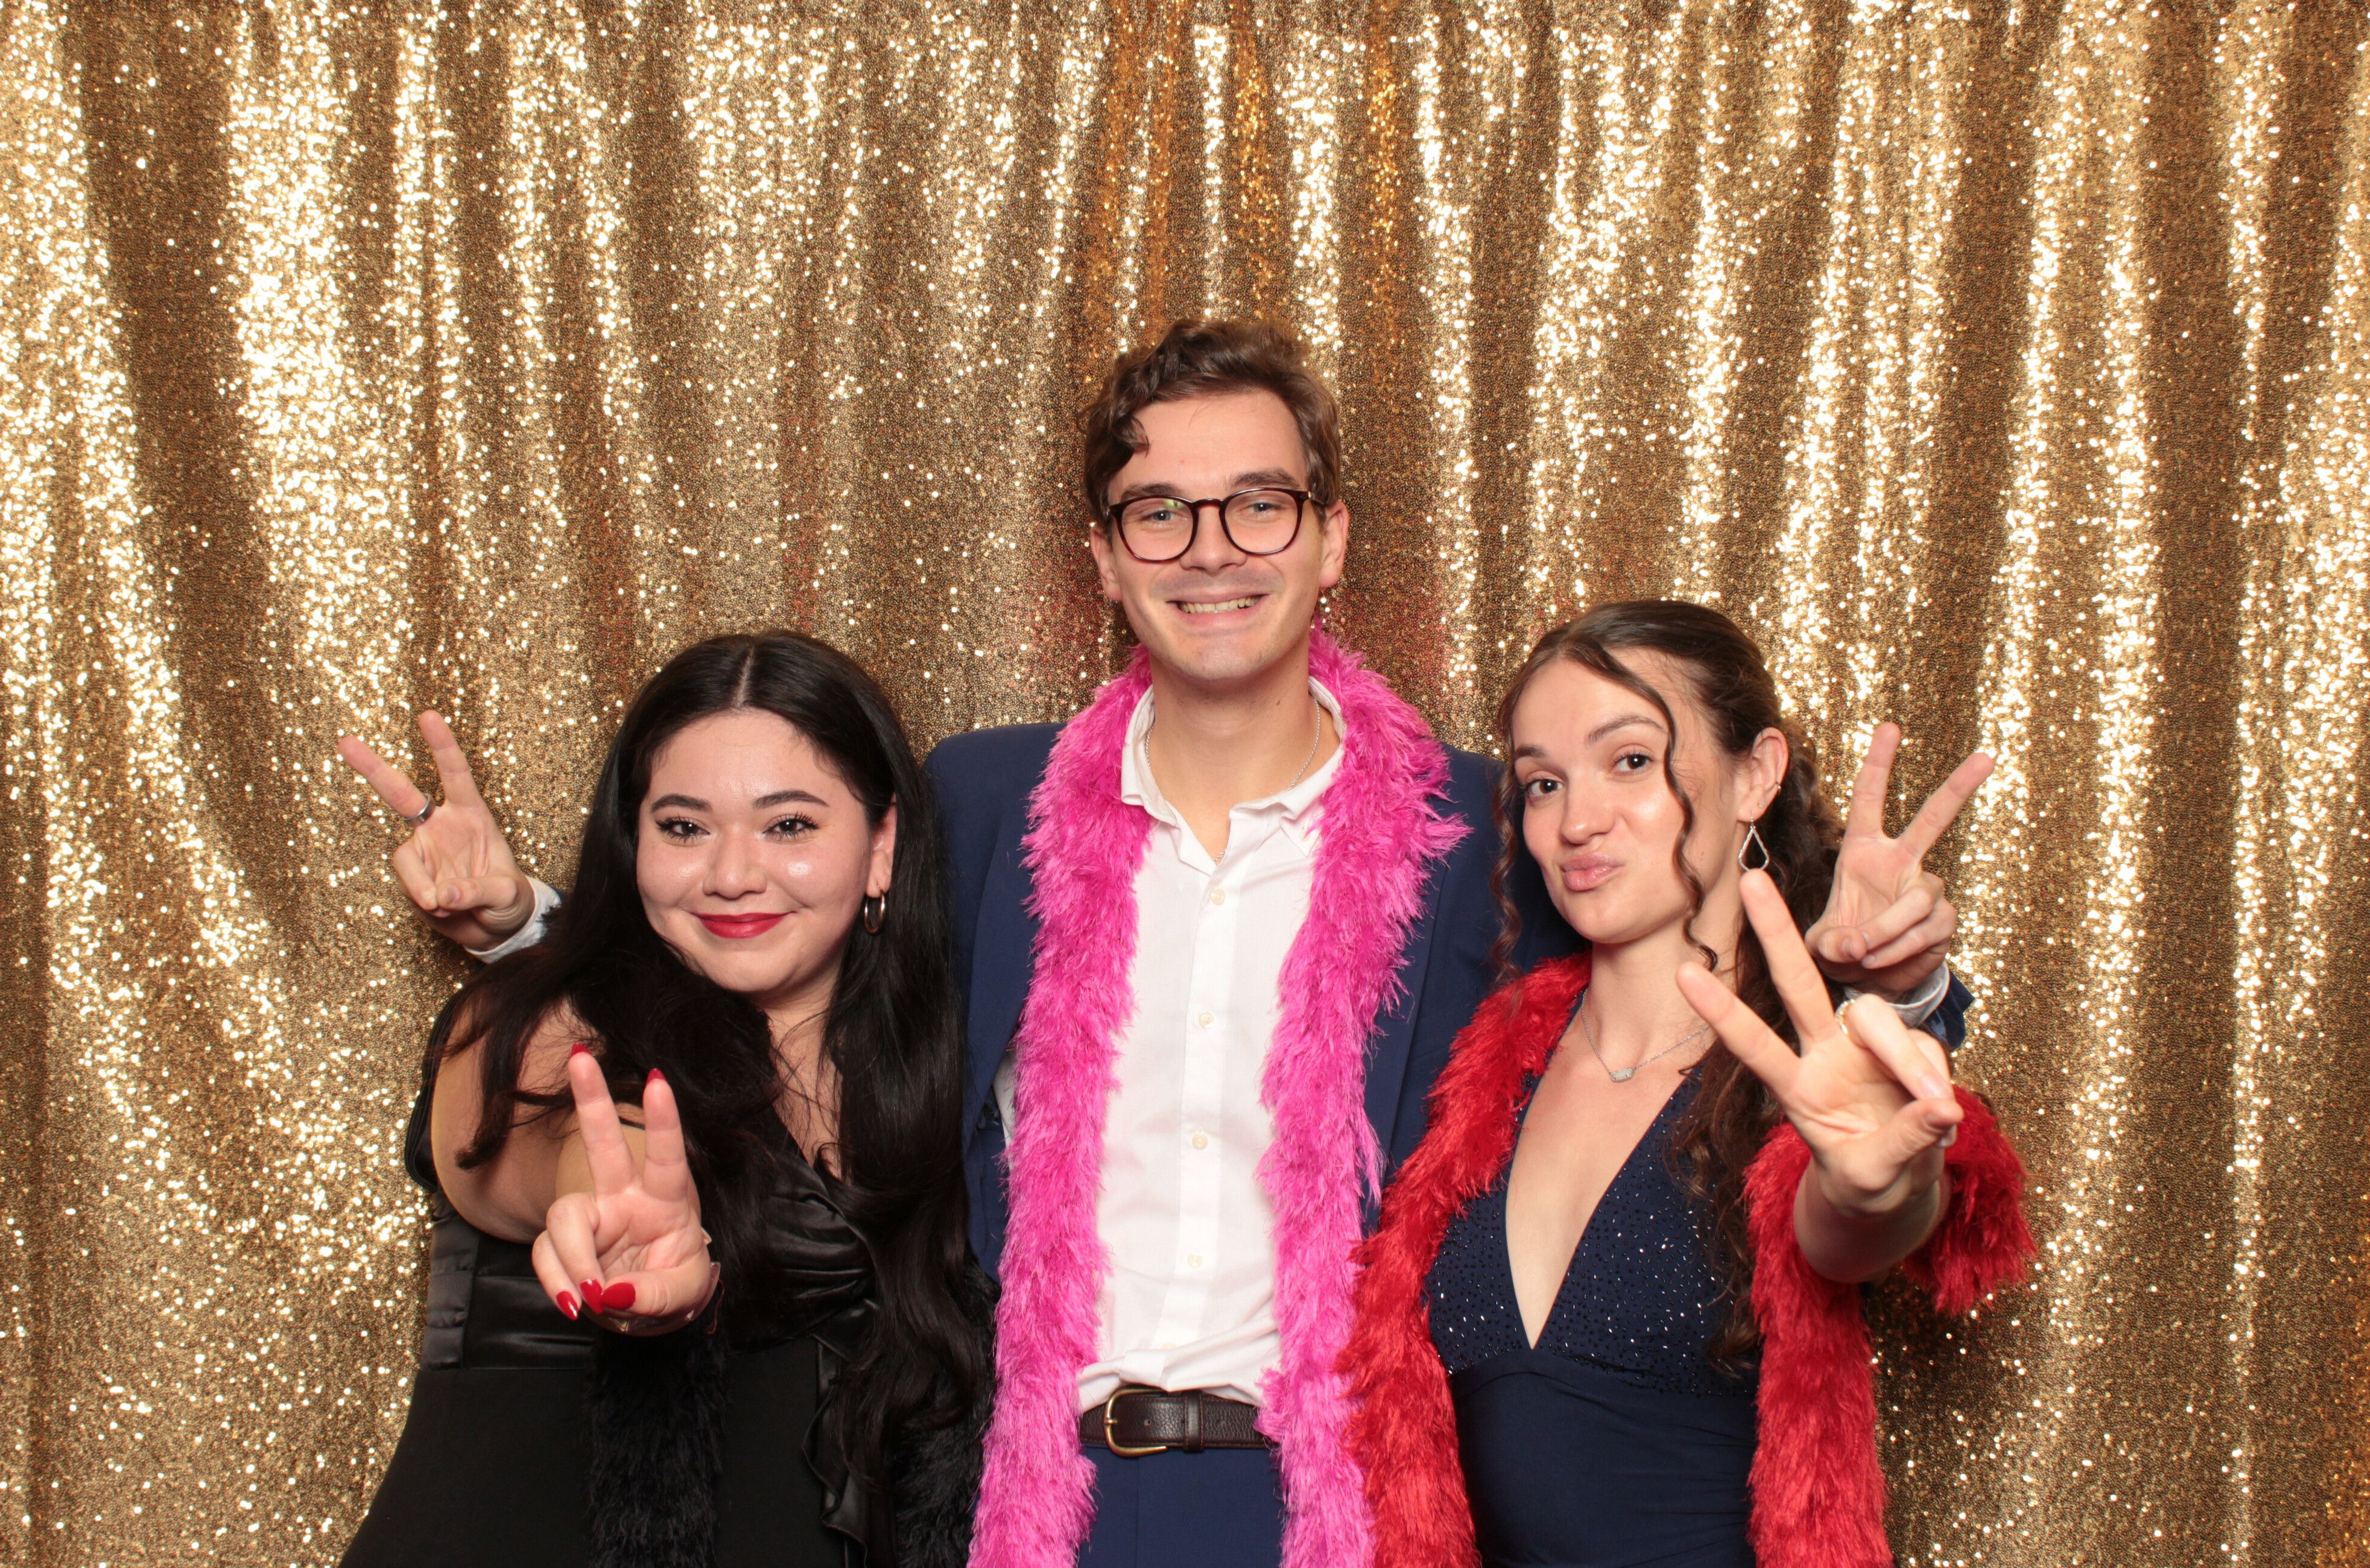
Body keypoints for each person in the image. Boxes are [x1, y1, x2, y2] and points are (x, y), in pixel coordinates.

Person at [364, 321, 1972, 1568]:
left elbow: (1699, 997)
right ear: (1103, 555)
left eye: (1258, 502)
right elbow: (772, 928)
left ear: (1329, 538)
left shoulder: (1483, 827)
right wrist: (535, 925)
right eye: (1159, 509)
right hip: (1029, 1497)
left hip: (1331, 1505)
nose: (1212, 547)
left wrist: (1894, 979)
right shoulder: (983, 803)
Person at [1340, 600, 2035, 1568]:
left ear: (1755, 775)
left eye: (1630, 760)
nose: (1577, 821)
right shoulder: (1483, 1076)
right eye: (1543, 783)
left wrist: (1878, 1186)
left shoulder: (1803, 1066)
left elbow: (1854, 1215)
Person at [337, 632, 987, 1568]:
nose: (732, 874)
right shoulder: (533, 1018)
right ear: (633, 842)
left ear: (880, 847)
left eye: (789, 826)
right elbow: (578, 1124)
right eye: (684, 828)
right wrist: (623, 1213)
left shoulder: (940, 1080)